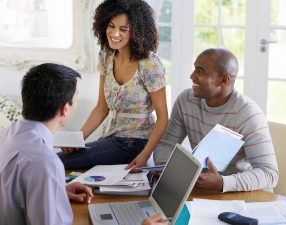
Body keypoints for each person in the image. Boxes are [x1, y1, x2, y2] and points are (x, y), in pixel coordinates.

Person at [57, 0, 168, 170]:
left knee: (57, 161)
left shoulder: (150, 64)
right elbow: (102, 107)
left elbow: (162, 118)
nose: (115, 34)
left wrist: (145, 155)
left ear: (137, 32)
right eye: (111, 26)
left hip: (136, 143)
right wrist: (77, 140)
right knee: (60, 160)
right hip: (110, 138)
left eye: (123, 29)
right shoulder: (106, 56)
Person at [153, 48, 279, 192]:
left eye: (200, 71)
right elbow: (166, 145)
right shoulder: (186, 101)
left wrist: (222, 183)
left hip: (241, 195)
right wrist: (166, 167)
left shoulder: (248, 114)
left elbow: (270, 174)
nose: (192, 76)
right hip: (202, 190)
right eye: (194, 69)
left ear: (224, 80)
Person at [0, 63, 93, 225]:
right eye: (75, 98)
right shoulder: (45, 162)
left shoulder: (8, 135)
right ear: (64, 109)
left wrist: (55, 192)